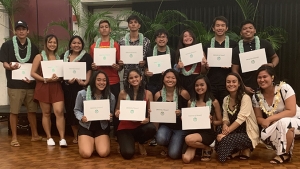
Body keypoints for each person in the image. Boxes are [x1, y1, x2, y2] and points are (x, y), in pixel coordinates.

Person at [0, 20, 42, 146]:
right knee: (14, 111)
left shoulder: (33, 47)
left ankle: (35, 135)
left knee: (32, 110)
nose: (21, 31)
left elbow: (35, 66)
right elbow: (4, 63)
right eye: (18, 29)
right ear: (15, 31)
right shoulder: (7, 45)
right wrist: (10, 67)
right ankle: (14, 137)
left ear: (27, 31)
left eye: (23, 29)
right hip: (14, 84)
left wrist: (33, 78)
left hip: (30, 83)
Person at [252, 65, 300, 164]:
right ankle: (286, 151)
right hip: (276, 122)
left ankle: (284, 154)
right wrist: (266, 121)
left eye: (265, 76)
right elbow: (258, 117)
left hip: (296, 119)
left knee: (283, 123)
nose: (262, 80)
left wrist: (270, 119)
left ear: (272, 77)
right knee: (264, 134)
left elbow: (291, 111)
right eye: (259, 77)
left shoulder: (284, 88)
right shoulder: (256, 96)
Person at [31, 34, 66, 147]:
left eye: (54, 42)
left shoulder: (59, 57)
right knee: (46, 113)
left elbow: (62, 74)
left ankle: (62, 138)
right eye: (50, 42)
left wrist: (59, 77)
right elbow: (32, 73)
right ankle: (49, 137)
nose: (52, 44)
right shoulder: (39, 57)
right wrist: (45, 79)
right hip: (43, 87)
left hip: (56, 87)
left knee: (59, 111)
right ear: (46, 43)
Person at [215, 72, 259, 162]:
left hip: (247, 133)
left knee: (224, 143)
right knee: (219, 129)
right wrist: (224, 126)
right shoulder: (225, 99)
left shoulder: (245, 98)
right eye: (228, 82)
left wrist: (224, 134)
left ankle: (246, 148)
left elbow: (241, 119)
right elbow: (225, 118)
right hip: (234, 130)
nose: (231, 84)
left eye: (234, 82)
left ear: (239, 84)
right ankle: (239, 151)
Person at [115, 68, 156, 160]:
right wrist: (117, 112)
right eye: (131, 78)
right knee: (127, 154)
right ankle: (123, 142)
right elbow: (117, 109)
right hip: (125, 127)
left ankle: (141, 143)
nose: (134, 79)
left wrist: (148, 119)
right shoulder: (123, 93)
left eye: (136, 77)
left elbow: (151, 112)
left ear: (141, 77)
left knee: (151, 128)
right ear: (128, 80)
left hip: (140, 126)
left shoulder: (148, 93)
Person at [90, 20, 121, 137]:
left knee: (115, 108)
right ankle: (103, 132)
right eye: (101, 27)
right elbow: (92, 66)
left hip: (114, 81)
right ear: (99, 30)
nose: (104, 29)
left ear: (110, 29)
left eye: (106, 27)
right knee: (101, 107)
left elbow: (120, 66)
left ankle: (117, 134)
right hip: (99, 83)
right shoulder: (93, 46)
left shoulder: (116, 45)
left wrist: (117, 66)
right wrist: (93, 67)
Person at [144, 29, 176, 146]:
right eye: (158, 37)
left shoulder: (172, 53)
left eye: (163, 37)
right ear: (155, 40)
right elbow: (145, 68)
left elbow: (175, 69)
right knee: (154, 110)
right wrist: (147, 72)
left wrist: (169, 72)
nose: (161, 39)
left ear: (167, 39)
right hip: (152, 84)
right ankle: (154, 134)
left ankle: (168, 132)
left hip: (167, 85)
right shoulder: (149, 52)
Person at [74, 70, 115, 158]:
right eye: (99, 80)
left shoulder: (110, 96)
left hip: (102, 127)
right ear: (93, 80)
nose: (102, 82)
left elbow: (111, 112)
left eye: (104, 80)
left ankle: (97, 143)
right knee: (86, 154)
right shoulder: (82, 94)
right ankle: (89, 142)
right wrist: (81, 117)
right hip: (86, 126)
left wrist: (110, 116)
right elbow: (77, 110)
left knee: (103, 153)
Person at [232, 20, 280, 95]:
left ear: (255, 30)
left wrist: (272, 64)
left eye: (250, 28)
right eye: (244, 29)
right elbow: (234, 70)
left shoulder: (264, 43)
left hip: (266, 82)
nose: (248, 30)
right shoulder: (236, 49)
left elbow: (275, 57)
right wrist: (243, 86)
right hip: (247, 86)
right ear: (241, 33)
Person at [182, 75, 222, 163]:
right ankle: (202, 148)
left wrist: (212, 121)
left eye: (202, 85)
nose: (199, 87)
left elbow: (220, 121)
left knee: (188, 139)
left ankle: (204, 147)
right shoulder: (190, 102)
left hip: (207, 133)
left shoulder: (214, 102)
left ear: (207, 85)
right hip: (192, 132)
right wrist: (184, 118)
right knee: (186, 159)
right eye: (197, 85)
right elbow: (189, 119)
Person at [61, 35, 92, 144]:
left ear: (82, 45)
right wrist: (67, 81)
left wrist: (85, 82)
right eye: (74, 43)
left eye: (79, 43)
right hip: (68, 89)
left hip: (82, 89)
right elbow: (61, 72)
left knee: (82, 111)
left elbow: (89, 71)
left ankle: (84, 134)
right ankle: (76, 136)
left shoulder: (87, 57)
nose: (76, 45)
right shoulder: (63, 56)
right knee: (71, 112)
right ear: (70, 45)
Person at [154, 69, 190, 159]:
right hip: (166, 126)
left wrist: (181, 112)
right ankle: (169, 143)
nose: (170, 80)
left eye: (173, 78)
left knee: (173, 155)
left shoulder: (183, 93)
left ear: (177, 80)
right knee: (160, 138)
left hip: (180, 128)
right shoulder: (158, 95)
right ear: (163, 79)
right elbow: (156, 115)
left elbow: (191, 110)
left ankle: (181, 143)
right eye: (167, 77)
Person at [202, 16, 238, 106]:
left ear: (227, 28)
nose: (220, 28)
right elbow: (203, 71)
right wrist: (205, 66)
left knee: (227, 107)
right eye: (217, 25)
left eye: (223, 25)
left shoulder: (234, 45)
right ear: (213, 28)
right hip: (211, 82)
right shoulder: (207, 46)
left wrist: (230, 64)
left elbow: (237, 65)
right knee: (212, 109)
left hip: (228, 83)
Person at [118, 15, 151, 82]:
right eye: (131, 22)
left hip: (141, 76)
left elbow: (149, 59)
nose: (133, 24)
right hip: (127, 76)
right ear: (128, 25)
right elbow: (119, 61)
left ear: (139, 25)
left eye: (135, 22)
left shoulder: (146, 41)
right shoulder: (122, 41)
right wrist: (120, 63)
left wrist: (144, 62)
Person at [174, 30, 203, 94]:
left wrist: (204, 64)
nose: (188, 38)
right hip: (182, 79)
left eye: (190, 36)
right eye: (185, 36)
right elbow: (175, 71)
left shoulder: (200, 51)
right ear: (182, 39)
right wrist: (178, 67)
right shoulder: (178, 53)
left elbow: (204, 71)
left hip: (195, 79)